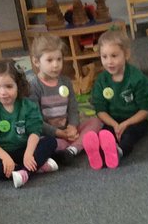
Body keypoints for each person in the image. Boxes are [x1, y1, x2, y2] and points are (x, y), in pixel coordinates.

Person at [0, 59, 58, 185]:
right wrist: (5, 158)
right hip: (5, 153)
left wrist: (29, 154)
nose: (2, 92)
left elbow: (34, 131)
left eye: (9, 86)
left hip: (27, 149)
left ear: (18, 86)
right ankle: (32, 169)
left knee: (50, 141)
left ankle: (23, 172)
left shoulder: (29, 106)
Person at [25, 32, 101, 164]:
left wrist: (72, 126)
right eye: (49, 60)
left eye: (59, 59)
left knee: (96, 121)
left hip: (68, 130)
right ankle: (78, 145)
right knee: (49, 144)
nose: (55, 65)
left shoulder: (66, 82)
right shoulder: (34, 86)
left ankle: (72, 150)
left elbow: (73, 108)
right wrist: (60, 134)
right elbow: (36, 121)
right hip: (50, 134)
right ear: (36, 61)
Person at [85, 29, 148, 168]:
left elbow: (145, 110)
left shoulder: (137, 78)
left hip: (134, 121)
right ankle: (98, 154)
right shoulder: (101, 80)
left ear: (126, 54)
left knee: (129, 136)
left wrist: (125, 124)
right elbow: (100, 110)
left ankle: (119, 152)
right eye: (104, 57)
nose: (109, 62)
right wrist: (115, 124)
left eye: (114, 56)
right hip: (112, 121)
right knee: (105, 133)